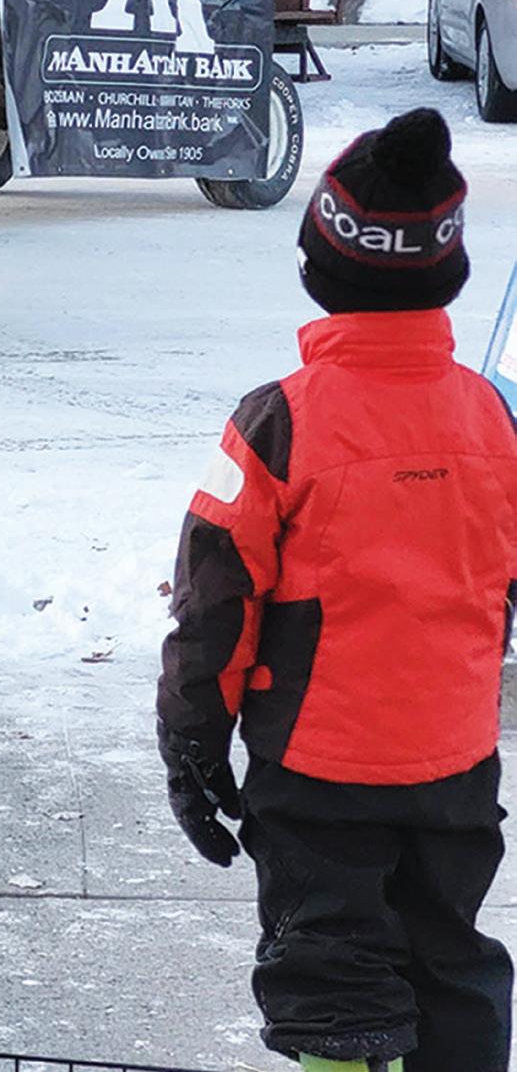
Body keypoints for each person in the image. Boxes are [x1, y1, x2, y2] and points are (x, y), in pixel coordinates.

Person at [157, 107, 517, 1072]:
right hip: (455, 765)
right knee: (448, 957)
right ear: (445, 270)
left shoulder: (277, 422)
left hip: (316, 771)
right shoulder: (489, 416)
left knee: (330, 977)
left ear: (319, 265)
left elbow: (213, 605)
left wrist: (191, 745)